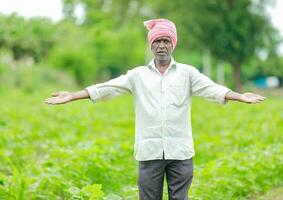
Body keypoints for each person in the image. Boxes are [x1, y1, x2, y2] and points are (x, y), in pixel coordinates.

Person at [45, 18, 265, 200]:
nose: (162, 45)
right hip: (149, 152)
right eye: (157, 41)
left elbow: (212, 89)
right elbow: (106, 87)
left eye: (166, 41)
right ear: (151, 45)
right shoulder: (137, 75)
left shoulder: (187, 73)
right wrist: (72, 95)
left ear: (173, 44)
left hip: (180, 151)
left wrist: (240, 96)